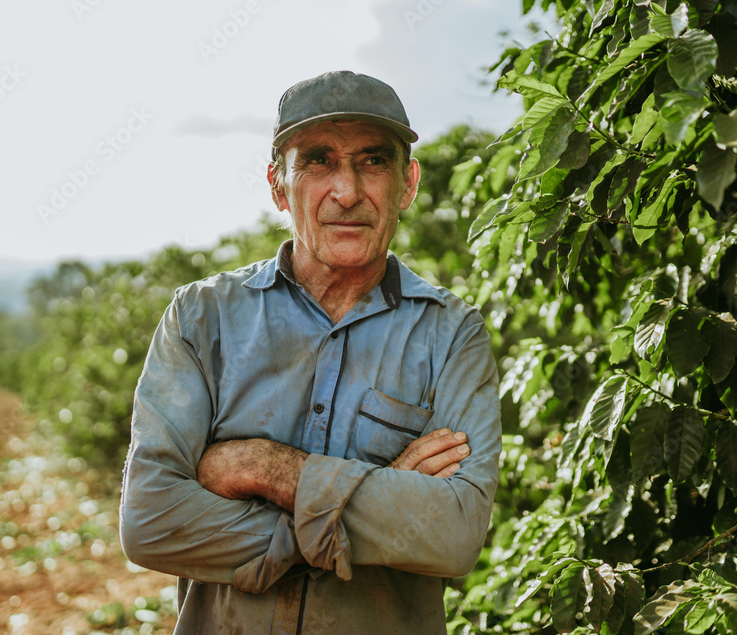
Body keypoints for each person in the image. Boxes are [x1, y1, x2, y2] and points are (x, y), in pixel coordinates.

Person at [119, 70, 501, 634]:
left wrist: (265, 469)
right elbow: (150, 521)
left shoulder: (452, 335)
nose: (347, 192)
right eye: (318, 160)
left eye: (373, 161)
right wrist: (379, 498)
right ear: (278, 185)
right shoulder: (203, 318)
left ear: (409, 183)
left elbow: (454, 535)